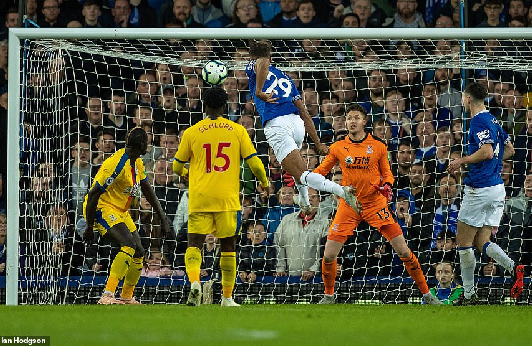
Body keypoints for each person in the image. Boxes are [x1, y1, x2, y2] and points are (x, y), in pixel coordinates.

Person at [309, 103, 441, 304]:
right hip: (349, 205)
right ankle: (328, 296)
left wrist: (387, 186)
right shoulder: (338, 147)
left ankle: (427, 294)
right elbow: (321, 171)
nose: (352, 121)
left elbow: (387, 173)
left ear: (364, 121)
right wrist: (305, 178)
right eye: (349, 118)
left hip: (375, 204)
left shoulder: (378, 146)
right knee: (328, 255)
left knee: (403, 251)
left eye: (356, 118)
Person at [172, 87, 270, 307]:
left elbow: (176, 166)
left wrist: (189, 175)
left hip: (200, 198)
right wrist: (264, 183)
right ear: (225, 106)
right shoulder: (237, 130)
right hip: (227, 199)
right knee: (228, 248)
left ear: (204, 106)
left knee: (194, 245)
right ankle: (227, 297)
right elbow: (254, 163)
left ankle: (195, 282)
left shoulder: (192, 132)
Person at [246, 40, 360, 215]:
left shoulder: (255, 65)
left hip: (277, 124)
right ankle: (305, 202)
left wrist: (259, 91)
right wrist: (317, 143)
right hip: (297, 124)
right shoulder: (286, 78)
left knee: (301, 174)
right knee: (295, 168)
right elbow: (305, 113)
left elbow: (262, 62)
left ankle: (340, 190)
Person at [447, 83, 524, 305]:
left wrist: (461, 161)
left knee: (463, 243)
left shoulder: (479, 121)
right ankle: (513, 267)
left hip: (479, 188)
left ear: (467, 99)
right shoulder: (494, 120)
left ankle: (469, 294)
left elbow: (488, 152)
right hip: (497, 188)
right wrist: (493, 166)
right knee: (482, 241)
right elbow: (510, 150)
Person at [83, 127, 172, 305]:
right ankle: (107, 295)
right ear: (140, 145)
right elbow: (93, 194)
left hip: (121, 210)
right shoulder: (115, 165)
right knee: (128, 244)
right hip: (103, 207)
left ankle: (126, 296)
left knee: (139, 251)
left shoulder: (136, 162)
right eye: (146, 142)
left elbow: (147, 188)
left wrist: (162, 216)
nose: (148, 144)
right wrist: (89, 225)